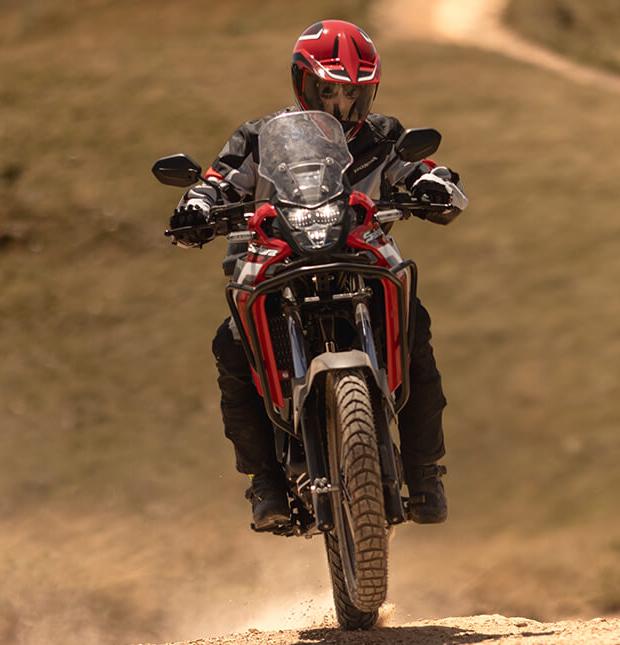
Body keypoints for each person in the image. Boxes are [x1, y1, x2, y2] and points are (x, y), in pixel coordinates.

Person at [168, 20, 468, 530]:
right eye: (328, 91)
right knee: (231, 345)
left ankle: (424, 474)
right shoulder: (260, 137)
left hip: (360, 258)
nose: (340, 105)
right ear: (302, 83)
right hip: (279, 258)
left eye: (353, 94)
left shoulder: (384, 137)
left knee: (414, 328)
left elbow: (428, 170)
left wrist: (437, 185)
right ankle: (265, 483)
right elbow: (216, 181)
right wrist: (196, 205)